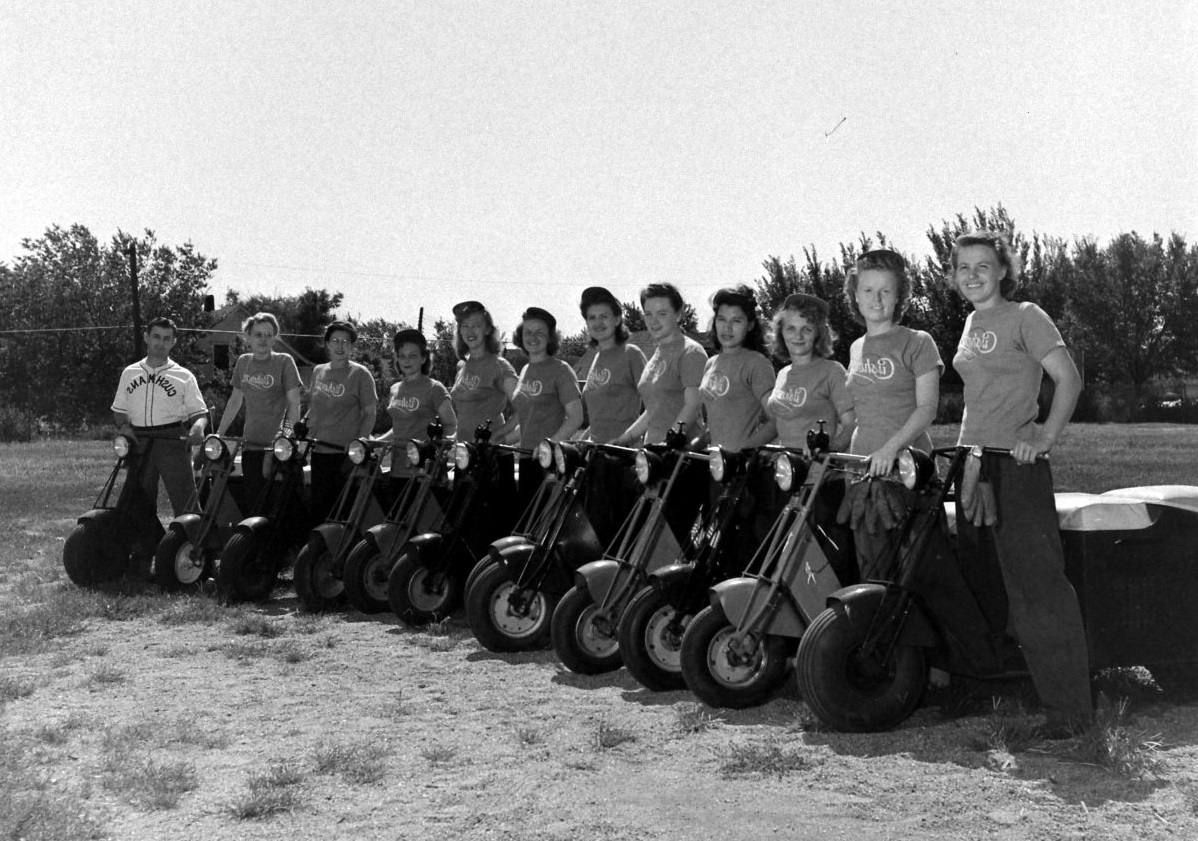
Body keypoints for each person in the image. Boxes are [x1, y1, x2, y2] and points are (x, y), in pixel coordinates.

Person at [949, 230, 1090, 730]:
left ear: (1003, 269)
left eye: (982, 266)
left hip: (1017, 465)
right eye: (963, 267)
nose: (972, 275)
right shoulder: (970, 321)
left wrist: (1045, 435)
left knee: (1039, 588)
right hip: (973, 463)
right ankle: (996, 686)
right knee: (983, 579)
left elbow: (1068, 378)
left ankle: (1070, 711)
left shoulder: (1026, 315)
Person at [843, 249, 942, 578]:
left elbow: (927, 409)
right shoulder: (856, 348)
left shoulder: (917, 341)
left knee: (915, 574)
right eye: (868, 290)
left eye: (886, 290)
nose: (876, 298)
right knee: (873, 572)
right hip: (864, 473)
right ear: (855, 295)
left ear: (899, 295)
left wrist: (891, 448)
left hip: (907, 474)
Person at [111, 315, 209, 517]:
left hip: (171, 439)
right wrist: (125, 428)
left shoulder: (183, 375)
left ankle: (192, 545)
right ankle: (145, 546)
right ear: (146, 337)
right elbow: (119, 410)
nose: (160, 342)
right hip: (140, 440)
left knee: (185, 500)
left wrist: (198, 427)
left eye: (166, 338)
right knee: (139, 501)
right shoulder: (130, 373)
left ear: (173, 342)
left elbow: (199, 413)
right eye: (156, 336)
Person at [215, 312, 303, 512]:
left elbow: (294, 403)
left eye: (268, 334)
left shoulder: (284, 362)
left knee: (281, 505)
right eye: (258, 334)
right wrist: (219, 433)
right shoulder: (243, 362)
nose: (263, 339)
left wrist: (288, 437)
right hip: (251, 444)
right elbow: (235, 400)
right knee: (254, 503)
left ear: (274, 338)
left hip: (279, 448)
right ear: (248, 337)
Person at [497, 307, 584, 506]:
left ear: (551, 338)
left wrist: (550, 445)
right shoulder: (526, 369)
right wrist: (501, 439)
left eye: (540, 333)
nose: (533, 337)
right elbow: (528, 420)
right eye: (528, 332)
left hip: (551, 462)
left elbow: (576, 417)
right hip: (527, 458)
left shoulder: (561, 370)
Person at [613, 283, 707, 446]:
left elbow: (693, 405)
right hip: (652, 456)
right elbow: (653, 410)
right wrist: (625, 439)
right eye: (648, 314)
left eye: (662, 314)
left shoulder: (691, 352)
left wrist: (669, 442)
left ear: (678, 315)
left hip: (681, 457)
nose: (653, 321)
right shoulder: (656, 355)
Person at [306, 321, 378, 523]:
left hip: (345, 458)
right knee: (319, 510)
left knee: (342, 513)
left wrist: (358, 444)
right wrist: (303, 430)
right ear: (327, 344)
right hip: (319, 453)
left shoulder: (360, 374)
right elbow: (314, 409)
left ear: (352, 346)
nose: (340, 346)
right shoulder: (318, 371)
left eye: (345, 342)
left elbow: (370, 414)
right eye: (335, 341)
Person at [767, 293, 855, 450]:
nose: (798, 336)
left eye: (806, 329)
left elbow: (851, 424)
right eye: (790, 329)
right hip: (785, 468)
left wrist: (830, 450)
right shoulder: (782, 374)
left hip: (817, 470)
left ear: (818, 333)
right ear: (781, 332)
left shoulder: (832, 371)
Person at [374, 327, 457, 485]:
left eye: (413, 356)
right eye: (402, 356)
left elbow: (451, 425)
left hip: (424, 473)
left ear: (423, 358)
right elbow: (398, 428)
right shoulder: (395, 389)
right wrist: (375, 442)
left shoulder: (435, 388)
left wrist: (435, 450)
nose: (407, 361)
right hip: (397, 468)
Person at [700, 286, 776, 452]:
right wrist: (691, 446)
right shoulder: (711, 364)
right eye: (721, 319)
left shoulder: (757, 363)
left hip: (743, 470)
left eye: (736, 321)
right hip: (714, 465)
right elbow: (711, 427)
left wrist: (742, 452)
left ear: (750, 325)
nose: (727, 328)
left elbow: (776, 421)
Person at [575, 286, 646, 443]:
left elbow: (654, 407)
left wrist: (626, 439)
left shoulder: (631, 354)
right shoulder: (596, 358)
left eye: (604, 316)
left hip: (624, 452)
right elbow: (601, 416)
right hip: (596, 453)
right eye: (591, 318)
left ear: (617, 319)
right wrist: (583, 440)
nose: (597, 322)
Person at [448, 301, 519, 441]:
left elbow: (526, 409)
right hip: (465, 454)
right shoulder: (462, 367)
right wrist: (453, 438)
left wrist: (500, 436)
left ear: (487, 329)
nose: (470, 331)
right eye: (465, 326)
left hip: (491, 456)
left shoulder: (499, 366)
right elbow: (468, 415)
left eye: (476, 325)